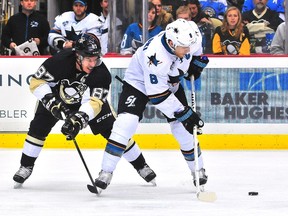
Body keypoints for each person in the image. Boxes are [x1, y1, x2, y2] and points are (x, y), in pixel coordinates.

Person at [12, 33, 156, 188]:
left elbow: (94, 103)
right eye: (89, 59)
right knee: (38, 128)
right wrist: (52, 103)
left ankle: (141, 165)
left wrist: (79, 120)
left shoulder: (102, 74)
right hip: (57, 98)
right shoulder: (59, 62)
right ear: (78, 56)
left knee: (115, 132)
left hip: (89, 104)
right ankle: (26, 166)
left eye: (96, 59)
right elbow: (36, 82)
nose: (93, 63)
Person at [94, 19, 209, 191]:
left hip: (170, 83)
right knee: (125, 124)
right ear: (171, 43)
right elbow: (157, 95)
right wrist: (184, 113)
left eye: (189, 48)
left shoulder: (189, 37)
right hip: (138, 84)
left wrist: (197, 64)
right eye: (184, 48)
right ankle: (106, 172)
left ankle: (198, 170)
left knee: (183, 130)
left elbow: (197, 51)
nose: (188, 51)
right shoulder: (155, 56)